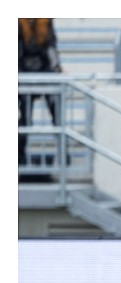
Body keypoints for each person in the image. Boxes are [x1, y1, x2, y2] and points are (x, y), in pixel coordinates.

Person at [18, 18, 61, 179]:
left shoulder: (45, 20)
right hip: (24, 74)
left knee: (57, 114)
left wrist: (56, 67)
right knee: (24, 120)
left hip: (44, 71)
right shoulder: (17, 21)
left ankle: (63, 153)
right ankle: (19, 156)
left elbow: (51, 45)